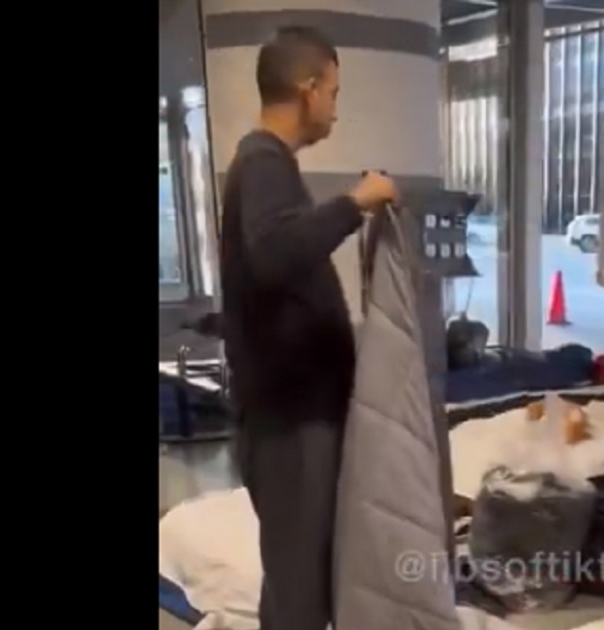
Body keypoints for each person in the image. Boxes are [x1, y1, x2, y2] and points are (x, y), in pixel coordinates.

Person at [217, 26, 398, 630]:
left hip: (300, 416)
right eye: (335, 93)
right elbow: (273, 252)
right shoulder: (262, 159)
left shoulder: (269, 164)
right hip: (290, 422)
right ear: (309, 87)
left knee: (305, 582)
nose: (336, 111)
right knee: (299, 591)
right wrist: (357, 203)